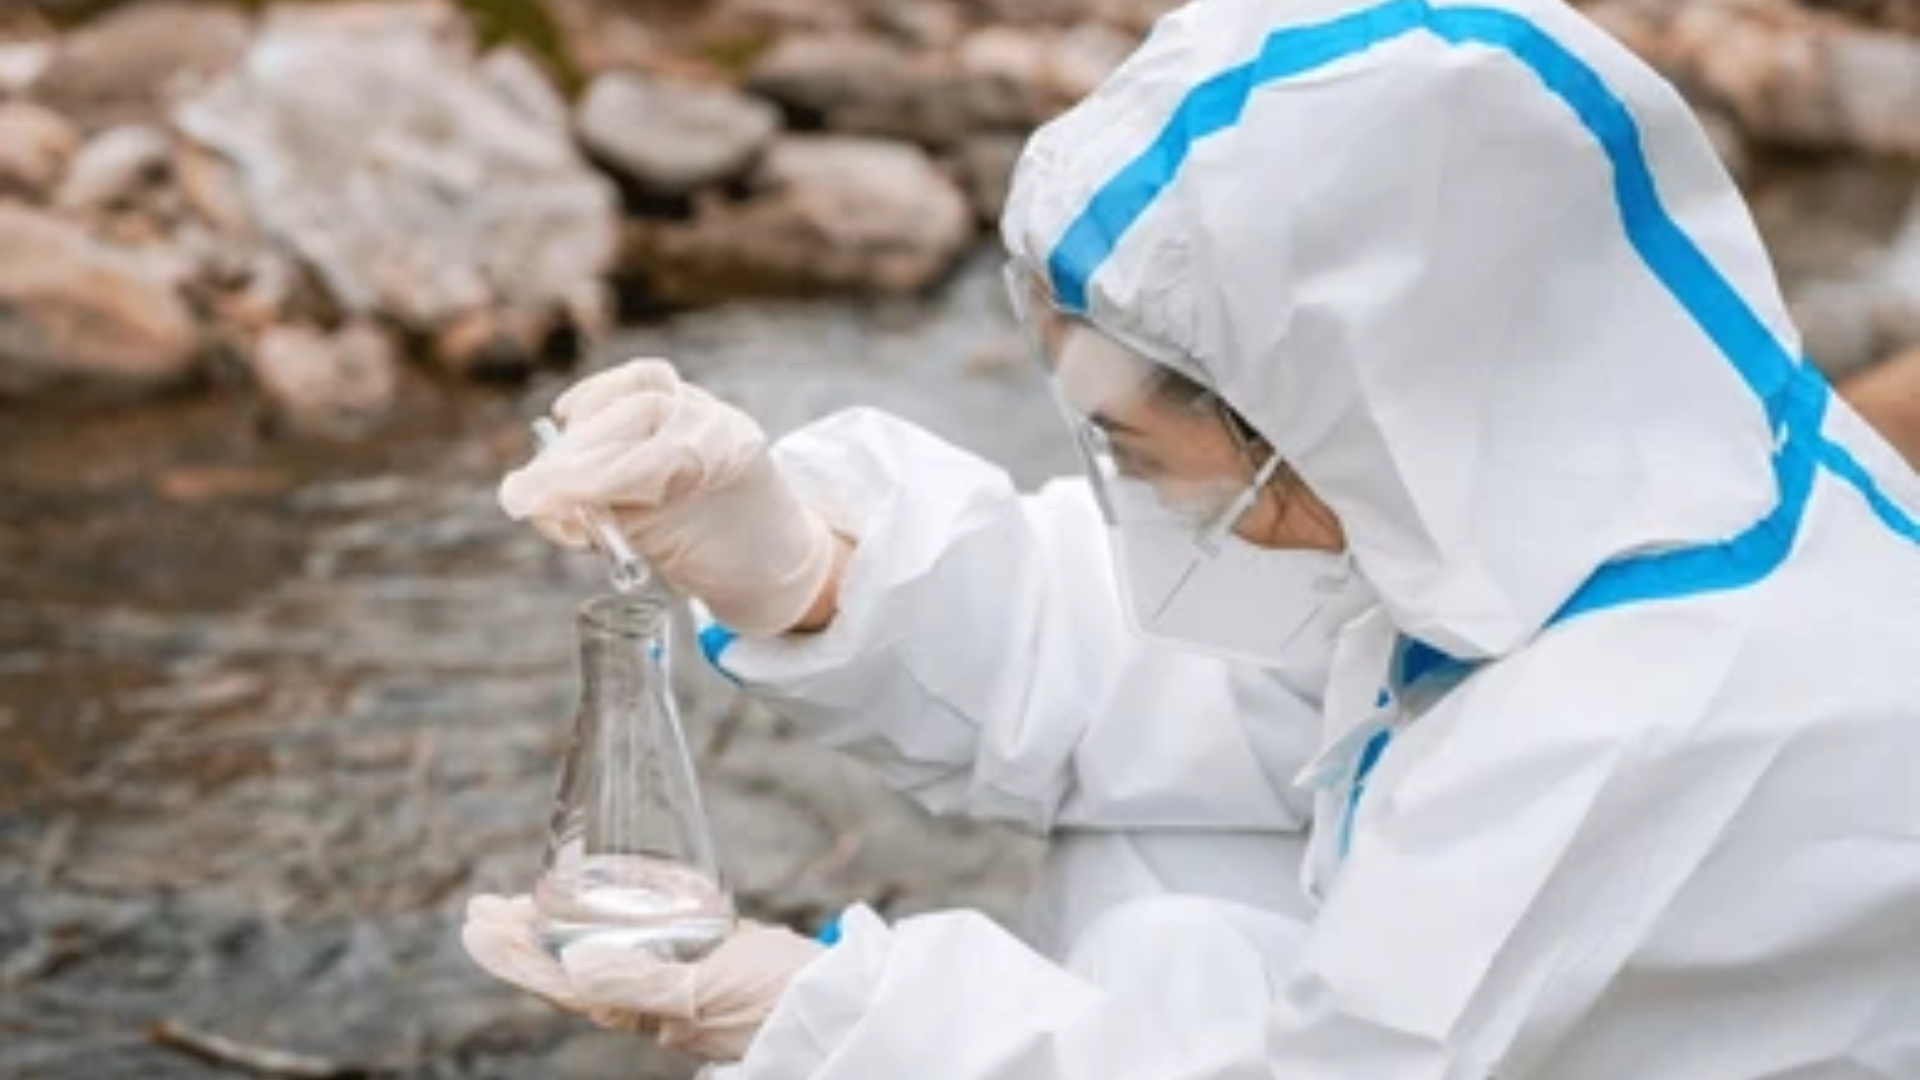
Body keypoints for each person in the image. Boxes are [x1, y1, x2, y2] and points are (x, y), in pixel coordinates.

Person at [464, 1, 1920, 1077]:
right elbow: (1211, 670)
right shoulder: (1579, 471)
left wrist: (830, 1021)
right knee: (1151, 861)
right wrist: (809, 564)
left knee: (1155, 927)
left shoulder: (1636, 729)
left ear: (1334, 423)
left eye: (1140, 453)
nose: (1120, 487)